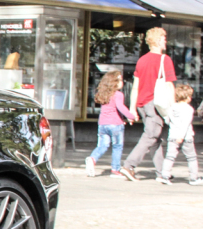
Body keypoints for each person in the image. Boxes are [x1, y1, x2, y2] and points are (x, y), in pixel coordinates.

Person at [120, 26, 174, 182]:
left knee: (155, 138)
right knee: (151, 135)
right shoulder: (165, 60)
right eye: (164, 38)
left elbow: (135, 86)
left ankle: (162, 172)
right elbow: (169, 85)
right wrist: (175, 106)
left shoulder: (142, 60)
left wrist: (132, 108)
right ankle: (129, 166)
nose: (166, 41)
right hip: (155, 104)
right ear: (157, 40)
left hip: (142, 104)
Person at [85, 70, 136, 178]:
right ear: (114, 82)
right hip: (115, 125)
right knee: (117, 146)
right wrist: (131, 116)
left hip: (103, 124)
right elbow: (120, 107)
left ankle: (92, 158)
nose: (123, 82)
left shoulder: (104, 95)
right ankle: (115, 170)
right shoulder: (118, 94)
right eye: (120, 80)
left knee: (102, 146)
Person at [160, 81, 201, 185]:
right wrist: (181, 136)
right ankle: (194, 178)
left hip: (172, 135)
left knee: (170, 156)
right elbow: (185, 124)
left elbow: (168, 120)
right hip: (186, 137)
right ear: (188, 97)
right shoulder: (188, 109)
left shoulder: (172, 108)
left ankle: (165, 175)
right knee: (191, 157)